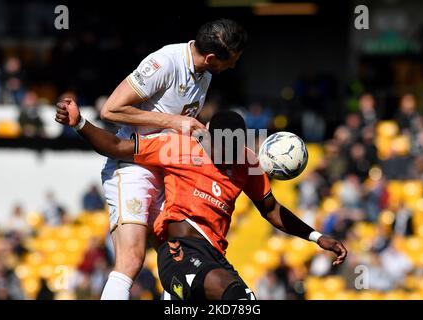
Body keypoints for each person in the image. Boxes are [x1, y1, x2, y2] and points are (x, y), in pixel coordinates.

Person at [55, 101, 347, 300]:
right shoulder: (177, 147)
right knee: (236, 297)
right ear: (209, 136)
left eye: (235, 146)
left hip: (215, 256)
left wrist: (316, 236)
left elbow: (271, 209)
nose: (228, 155)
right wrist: (80, 122)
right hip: (179, 251)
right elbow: (117, 146)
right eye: (222, 147)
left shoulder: (247, 163)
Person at [61, 19, 247, 299]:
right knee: (131, 259)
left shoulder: (205, 75)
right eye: (230, 61)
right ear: (211, 57)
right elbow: (111, 110)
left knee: (179, 254)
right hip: (132, 165)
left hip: (167, 166)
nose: (231, 67)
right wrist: (173, 122)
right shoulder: (165, 63)